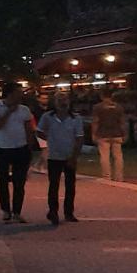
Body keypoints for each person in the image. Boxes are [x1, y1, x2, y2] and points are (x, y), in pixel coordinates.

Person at [0, 84, 35, 223]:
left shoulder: (24, 109)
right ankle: (5, 210)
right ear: (9, 94)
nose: (21, 95)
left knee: (19, 182)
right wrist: (9, 111)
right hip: (2, 148)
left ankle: (17, 211)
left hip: (21, 147)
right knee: (3, 180)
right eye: (18, 93)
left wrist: (30, 147)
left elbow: (28, 129)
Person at [38, 91, 82, 225]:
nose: (63, 103)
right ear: (55, 103)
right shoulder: (48, 117)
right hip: (54, 155)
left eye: (65, 100)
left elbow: (79, 138)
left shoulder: (75, 118)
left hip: (69, 155)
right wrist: (50, 139)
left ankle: (69, 212)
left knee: (70, 186)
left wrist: (74, 156)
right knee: (54, 185)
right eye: (60, 101)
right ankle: (53, 212)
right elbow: (39, 131)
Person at [93, 89, 128, 182]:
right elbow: (122, 122)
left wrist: (94, 134)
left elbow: (96, 121)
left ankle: (106, 176)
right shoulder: (119, 107)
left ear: (102, 96)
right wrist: (124, 133)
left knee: (105, 156)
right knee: (118, 156)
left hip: (103, 134)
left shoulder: (98, 107)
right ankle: (119, 177)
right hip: (117, 134)